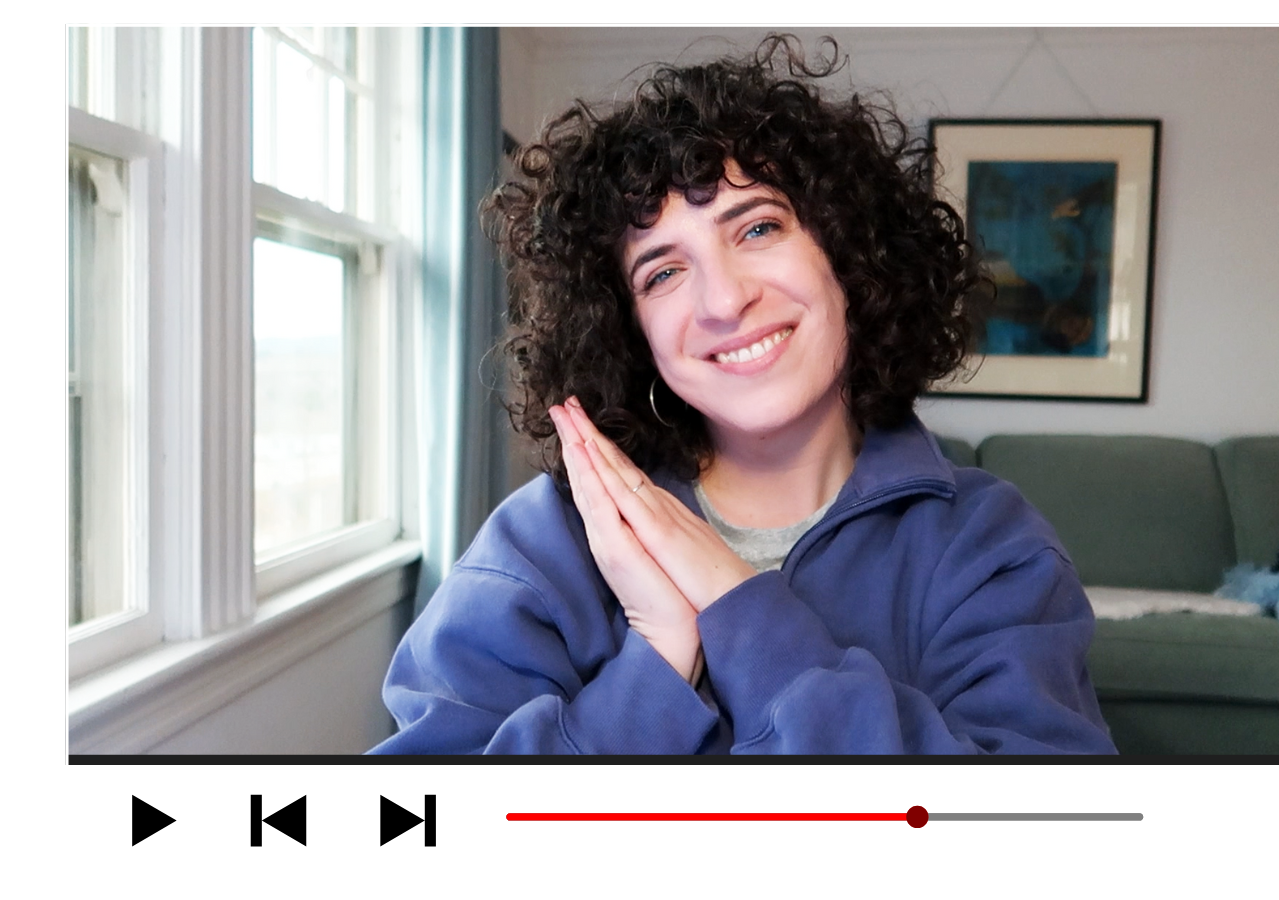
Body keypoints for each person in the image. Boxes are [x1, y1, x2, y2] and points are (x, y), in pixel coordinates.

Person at [368, 36, 1116, 754]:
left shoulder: (989, 546)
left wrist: (740, 607)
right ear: (629, 329)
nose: (725, 300)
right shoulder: (544, 543)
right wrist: (658, 658)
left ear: (848, 253)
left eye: (757, 228)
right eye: (663, 272)